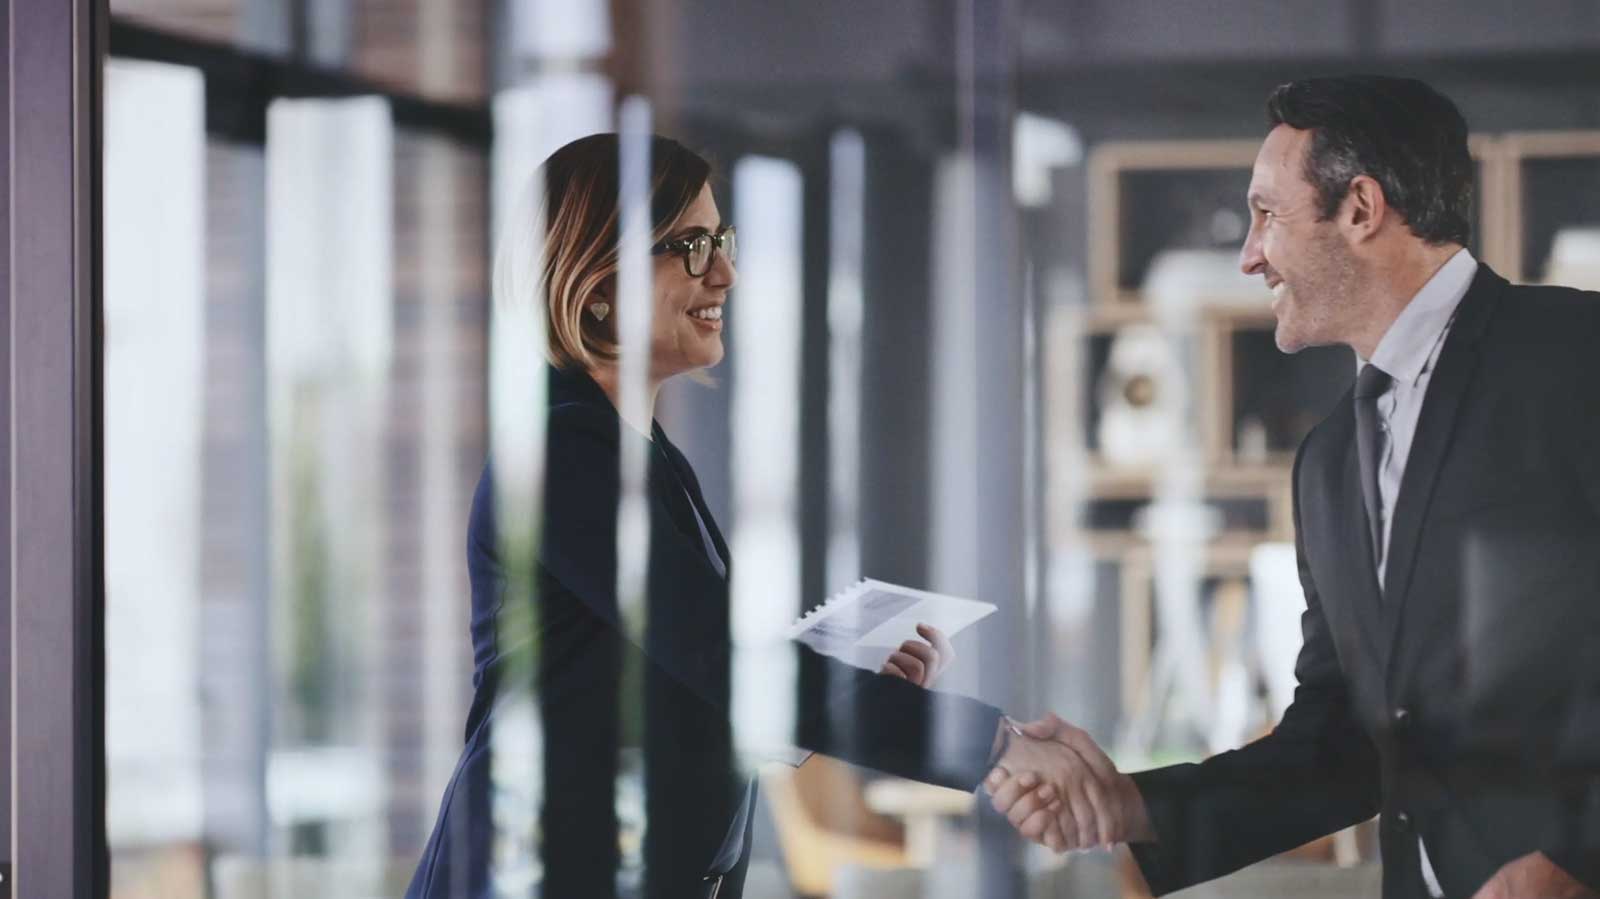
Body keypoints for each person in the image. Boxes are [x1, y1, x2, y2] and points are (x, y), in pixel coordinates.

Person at [987, 76, 1600, 899]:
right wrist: (1128, 802)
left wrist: (1574, 859)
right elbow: (1342, 745)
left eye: (1267, 213)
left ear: (1360, 209)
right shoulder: (1328, 463)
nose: (1247, 254)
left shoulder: (1575, 353)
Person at [405, 133, 1052, 899]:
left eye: (723, 240)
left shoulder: (649, 458)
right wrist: (991, 744)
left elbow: (680, 685)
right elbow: (720, 662)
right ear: (598, 281)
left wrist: (848, 680)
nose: (726, 273)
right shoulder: (562, 454)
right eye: (690, 246)